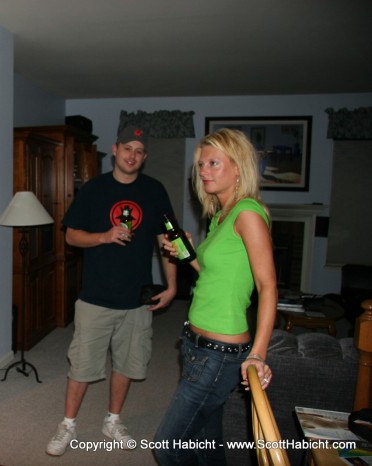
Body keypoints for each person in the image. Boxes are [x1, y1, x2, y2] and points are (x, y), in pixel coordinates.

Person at [45, 123, 178, 456]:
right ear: (115, 150)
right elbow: (71, 236)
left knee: (128, 364)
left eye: (139, 151)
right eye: (126, 148)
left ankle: (112, 421)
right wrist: (104, 235)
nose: (132, 155)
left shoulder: (155, 191)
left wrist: (174, 285)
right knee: (82, 366)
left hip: (137, 299)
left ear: (144, 157)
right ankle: (68, 425)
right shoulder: (94, 189)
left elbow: (169, 240)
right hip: (95, 297)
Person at [153, 128, 277, 465]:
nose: (203, 170)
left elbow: (268, 287)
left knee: (168, 445)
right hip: (195, 343)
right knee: (207, 444)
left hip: (219, 354)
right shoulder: (221, 216)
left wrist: (259, 354)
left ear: (237, 168)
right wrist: (184, 252)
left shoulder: (248, 213)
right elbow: (210, 276)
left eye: (213, 163)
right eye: (200, 164)